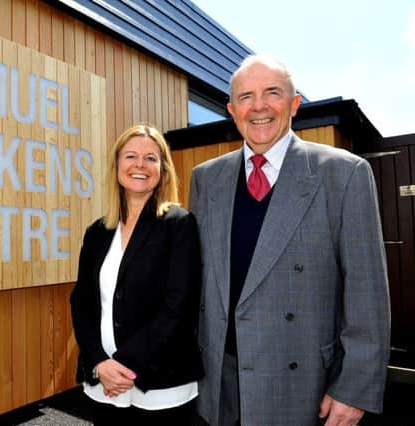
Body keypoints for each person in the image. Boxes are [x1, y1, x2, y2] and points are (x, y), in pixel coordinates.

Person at [189, 54, 390, 426]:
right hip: (219, 385)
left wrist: (354, 388)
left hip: (302, 386)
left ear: (295, 104)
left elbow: (367, 295)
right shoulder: (206, 179)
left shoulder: (344, 174)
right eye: (246, 97)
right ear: (232, 110)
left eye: (272, 93)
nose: (259, 107)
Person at [70, 124, 203, 425]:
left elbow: (178, 308)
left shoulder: (179, 225)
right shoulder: (98, 231)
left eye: (151, 158)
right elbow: (81, 303)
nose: (140, 165)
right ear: (117, 165)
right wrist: (99, 362)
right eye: (131, 156)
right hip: (103, 382)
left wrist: (122, 366)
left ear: (163, 168)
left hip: (161, 384)